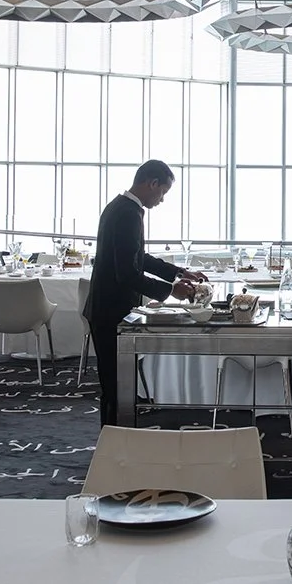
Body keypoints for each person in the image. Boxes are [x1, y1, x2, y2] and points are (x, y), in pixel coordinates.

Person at [86, 160, 206, 425]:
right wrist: (171, 290)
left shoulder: (121, 207)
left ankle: (116, 437)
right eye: (163, 192)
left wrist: (178, 272)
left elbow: (139, 257)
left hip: (106, 308)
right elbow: (127, 273)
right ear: (152, 184)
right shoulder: (128, 213)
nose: (162, 199)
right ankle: (115, 439)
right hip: (111, 311)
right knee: (116, 386)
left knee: (116, 384)